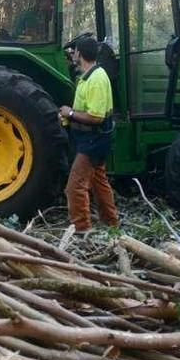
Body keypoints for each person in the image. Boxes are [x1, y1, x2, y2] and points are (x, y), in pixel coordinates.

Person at [59, 36, 119, 231]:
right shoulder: (88, 75)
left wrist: (71, 113)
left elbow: (96, 117)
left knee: (74, 187)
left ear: (79, 54)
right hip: (92, 139)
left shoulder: (96, 79)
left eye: (74, 52)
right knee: (99, 181)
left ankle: (82, 229)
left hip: (94, 140)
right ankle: (112, 224)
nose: (72, 55)